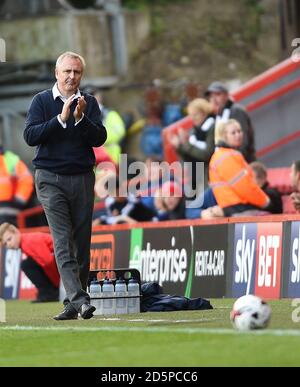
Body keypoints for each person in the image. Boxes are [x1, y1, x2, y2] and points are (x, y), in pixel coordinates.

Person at [24, 51, 107, 320]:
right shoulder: (41, 101)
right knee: (62, 240)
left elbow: (99, 139)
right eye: (67, 71)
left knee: (81, 243)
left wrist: (82, 119)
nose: (72, 77)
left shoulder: (89, 102)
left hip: (82, 177)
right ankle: (81, 300)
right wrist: (60, 119)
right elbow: (30, 135)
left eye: (77, 72)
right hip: (49, 178)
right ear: (57, 74)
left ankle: (74, 303)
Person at [202, 119, 270, 219]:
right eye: (233, 133)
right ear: (225, 136)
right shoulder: (229, 156)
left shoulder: (220, 155)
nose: (238, 135)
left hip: (229, 209)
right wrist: (265, 201)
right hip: (239, 209)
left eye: (239, 131)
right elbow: (244, 187)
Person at [0, 223, 59, 303]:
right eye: (5, 244)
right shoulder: (26, 241)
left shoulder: (28, 241)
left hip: (67, 259)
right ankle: (48, 293)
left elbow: (48, 262)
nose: (9, 244)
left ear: (16, 232)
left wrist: (58, 285)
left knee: (27, 265)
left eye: (9, 239)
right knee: (28, 264)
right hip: (62, 259)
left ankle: (49, 294)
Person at [205, 81, 256, 163]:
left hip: (240, 163)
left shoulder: (236, 111)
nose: (214, 99)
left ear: (226, 95)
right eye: (211, 96)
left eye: (217, 94)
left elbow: (242, 142)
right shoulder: (217, 116)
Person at [169, 98, 215, 189]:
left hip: (210, 175)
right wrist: (179, 146)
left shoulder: (212, 128)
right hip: (198, 176)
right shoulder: (195, 131)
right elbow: (189, 157)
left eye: (195, 114)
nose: (193, 118)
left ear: (204, 112)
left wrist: (186, 143)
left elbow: (206, 154)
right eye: (191, 115)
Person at [0, 141, 34, 226]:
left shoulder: (10, 160)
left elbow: (26, 179)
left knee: (7, 234)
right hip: (7, 208)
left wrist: (19, 200)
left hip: (9, 207)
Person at [93, 90, 126, 165]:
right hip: (92, 162)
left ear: (99, 97)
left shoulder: (110, 114)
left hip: (110, 158)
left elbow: (120, 132)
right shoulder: (83, 114)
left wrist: (98, 137)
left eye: (93, 95)